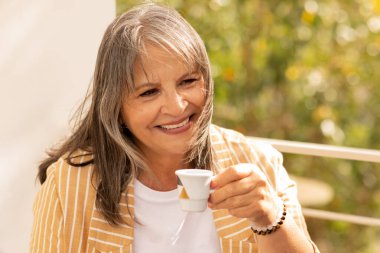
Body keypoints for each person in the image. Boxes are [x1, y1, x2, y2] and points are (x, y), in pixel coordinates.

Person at [30, 3, 319, 253]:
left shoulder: (257, 163)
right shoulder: (67, 186)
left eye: (188, 81)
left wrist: (270, 217)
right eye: (148, 92)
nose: (177, 106)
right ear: (116, 108)